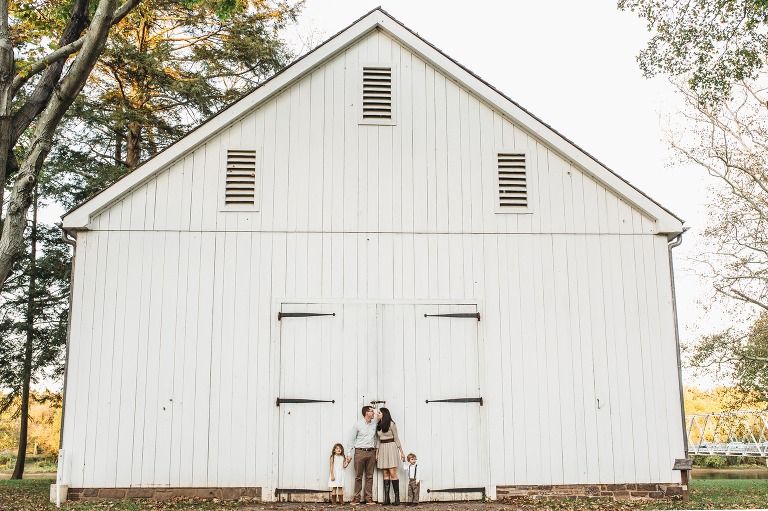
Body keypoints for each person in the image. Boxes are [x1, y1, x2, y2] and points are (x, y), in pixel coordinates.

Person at [345, 405, 377, 505]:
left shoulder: (374, 425)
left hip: (371, 452)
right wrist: (349, 454)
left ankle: (369, 498)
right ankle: (356, 498)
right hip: (360, 452)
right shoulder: (357, 424)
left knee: (370, 476)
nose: (374, 413)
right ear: (367, 413)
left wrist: (376, 452)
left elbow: (376, 439)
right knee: (358, 476)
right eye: (372, 411)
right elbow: (351, 439)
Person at [375, 407, 406, 506]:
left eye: (379, 413)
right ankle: (387, 498)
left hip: (391, 448)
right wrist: (377, 452)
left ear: (384, 414)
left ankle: (397, 498)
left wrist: (402, 452)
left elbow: (396, 438)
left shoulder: (392, 424)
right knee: (385, 473)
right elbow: (378, 441)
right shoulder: (378, 425)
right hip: (383, 449)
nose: (377, 414)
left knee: (393, 473)